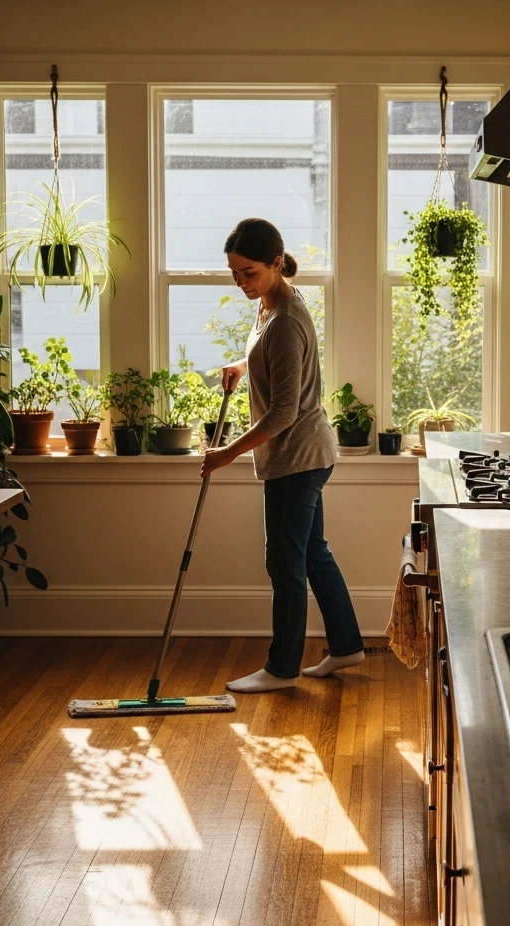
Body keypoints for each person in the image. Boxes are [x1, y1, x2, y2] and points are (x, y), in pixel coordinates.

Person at [201, 217, 365, 692]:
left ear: (275, 264)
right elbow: (271, 359)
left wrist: (225, 453)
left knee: (285, 564)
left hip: (298, 457)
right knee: (312, 553)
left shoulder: (288, 319)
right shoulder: (271, 303)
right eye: (234, 273)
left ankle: (282, 669)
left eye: (248, 272)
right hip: (303, 455)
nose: (241, 282)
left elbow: (283, 414)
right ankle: (347, 645)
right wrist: (241, 365)